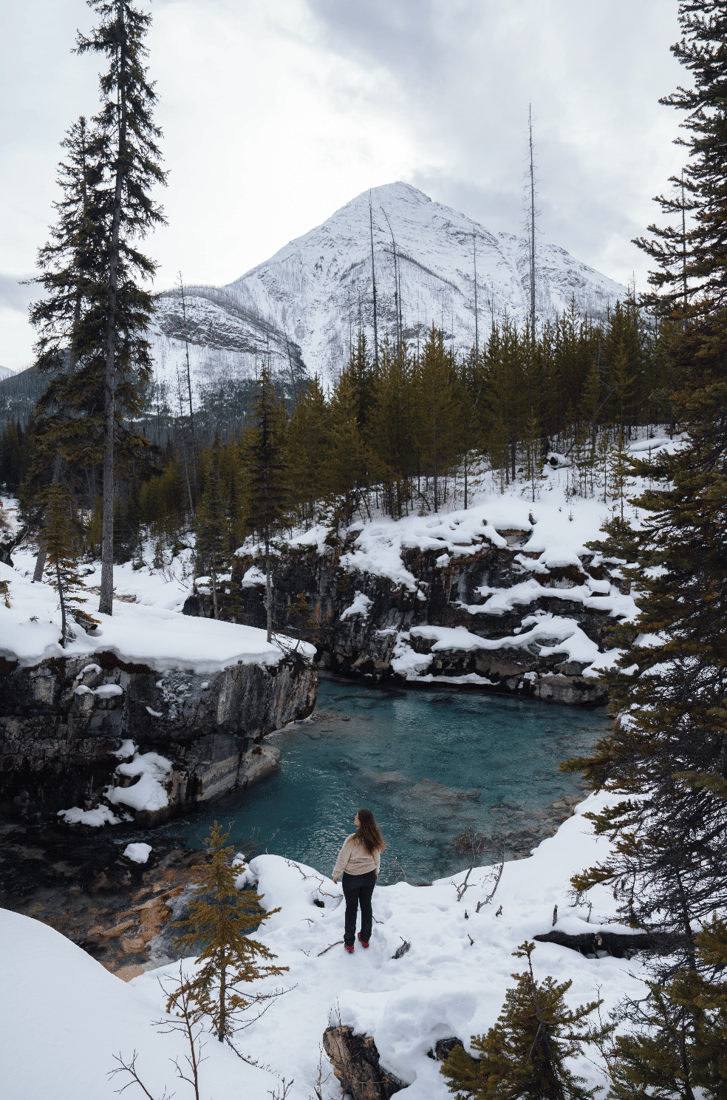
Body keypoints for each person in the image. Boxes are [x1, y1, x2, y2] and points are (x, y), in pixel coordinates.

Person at [332, 808, 386, 953]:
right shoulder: (373, 839)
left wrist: (336, 874)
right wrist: (376, 872)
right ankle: (365, 938)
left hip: (352, 878)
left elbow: (343, 859)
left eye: (357, 815)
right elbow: (377, 858)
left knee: (351, 909)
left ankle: (349, 943)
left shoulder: (351, 840)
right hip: (369, 877)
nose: (355, 816)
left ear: (361, 821)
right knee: (366, 906)